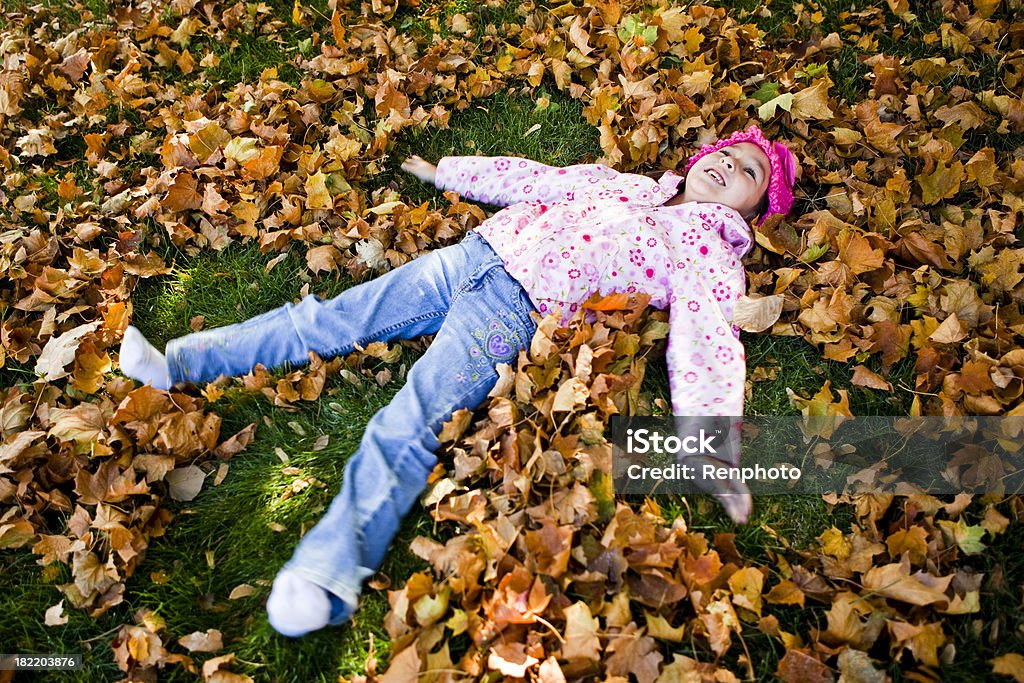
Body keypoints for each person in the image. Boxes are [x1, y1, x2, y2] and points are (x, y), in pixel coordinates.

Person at [118, 124, 797, 636]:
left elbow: (707, 344)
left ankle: (327, 570)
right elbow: (537, 178)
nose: (729, 164)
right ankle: (181, 361)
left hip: (511, 313)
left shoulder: (711, 254)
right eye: (729, 152)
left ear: (754, 210)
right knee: (329, 318)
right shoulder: (625, 183)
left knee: (410, 419)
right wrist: (449, 170)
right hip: (473, 254)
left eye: (747, 174)